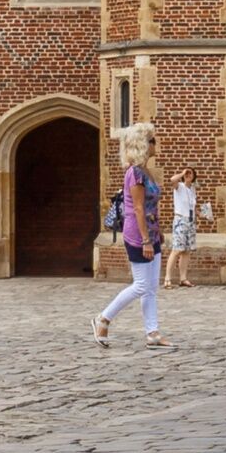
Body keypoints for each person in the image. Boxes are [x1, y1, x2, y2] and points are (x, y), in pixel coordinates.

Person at [92, 124, 171, 346]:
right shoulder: (134, 173)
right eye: (152, 140)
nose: (156, 144)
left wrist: (159, 230)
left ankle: (152, 332)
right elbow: (137, 208)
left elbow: (150, 206)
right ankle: (103, 318)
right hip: (138, 235)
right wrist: (145, 239)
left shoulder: (146, 171)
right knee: (141, 285)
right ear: (143, 145)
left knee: (151, 287)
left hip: (151, 233)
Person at [165, 171, 203, 287]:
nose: (188, 175)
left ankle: (183, 278)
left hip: (190, 221)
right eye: (187, 173)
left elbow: (193, 207)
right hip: (180, 220)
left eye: (190, 174)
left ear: (193, 177)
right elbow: (172, 179)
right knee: (176, 250)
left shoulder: (192, 190)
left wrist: (201, 213)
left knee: (186, 251)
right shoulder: (179, 187)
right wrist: (182, 173)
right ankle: (167, 279)